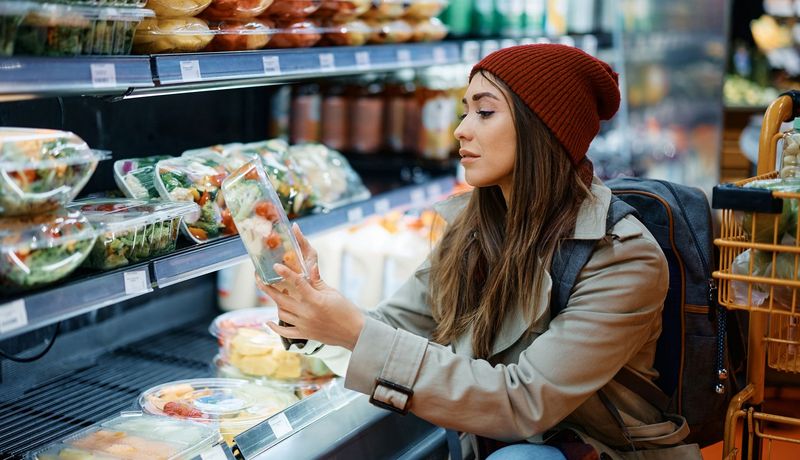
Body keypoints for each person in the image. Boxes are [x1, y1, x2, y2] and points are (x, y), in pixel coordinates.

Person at [260, 44, 699, 459]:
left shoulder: (620, 257)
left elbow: (521, 402)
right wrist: (310, 308)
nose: (460, 129)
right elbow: (397, 328)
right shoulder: (473, 229)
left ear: (542, 129)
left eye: (485, 112)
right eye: (464, 110)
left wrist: (355, 332)